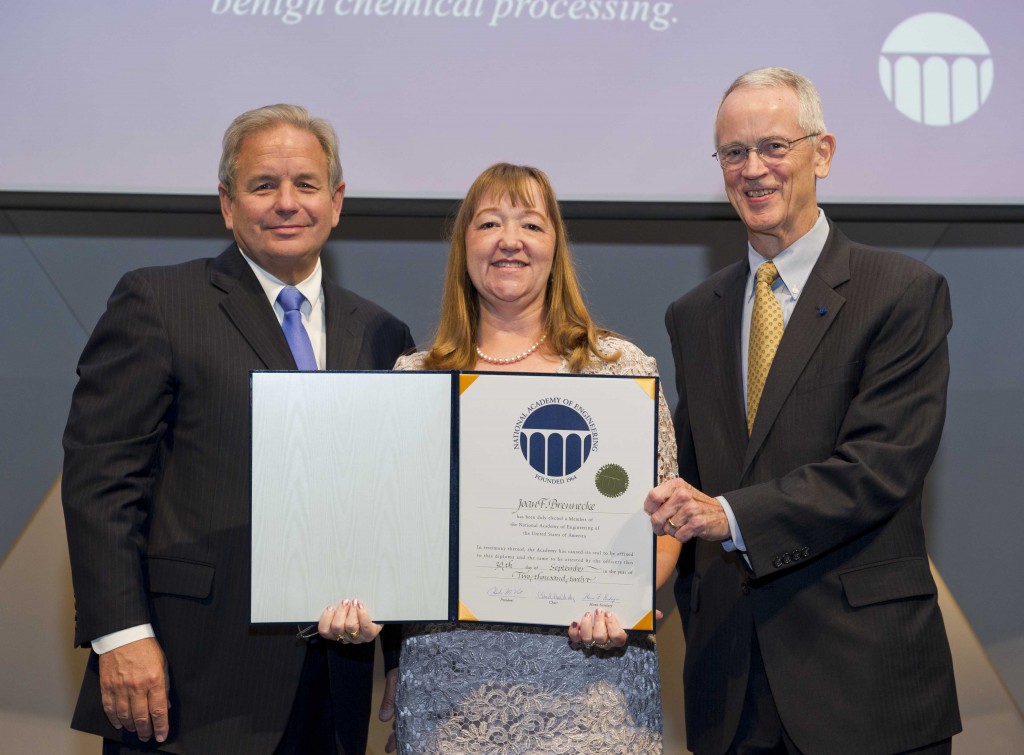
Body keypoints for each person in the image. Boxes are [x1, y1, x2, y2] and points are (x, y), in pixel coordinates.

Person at [62, 104, 413, 754]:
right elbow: (101, 483)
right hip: (187, 680)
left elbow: (392, 506)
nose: (287, 203)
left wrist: (398, 652)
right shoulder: (158, 303)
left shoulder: (383, 333)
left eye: (306, 184)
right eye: (262, 185)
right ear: (227, 203)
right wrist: (121, 633)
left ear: (336, 202)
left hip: (331, 687)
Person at [644, 67, 961, 754]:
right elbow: (685, 475)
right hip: (731, 688)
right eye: (734, 153)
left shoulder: (902, 292)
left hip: (864, 684)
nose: (753, 169)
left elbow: (879, 468)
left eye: (773, 147)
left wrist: (726, 515)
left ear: (823, 152)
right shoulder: (694, 315)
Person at [316, 162, 681, 752]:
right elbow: (389, 526)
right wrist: (362, 598)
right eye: (489, 223)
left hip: (593, 691)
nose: (509, 240)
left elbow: (667, 517)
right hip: (450, 695)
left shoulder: (618, 368)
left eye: (530, 225)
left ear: (554, 247)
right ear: (465, 247)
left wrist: (629, 601)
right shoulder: (417, 376)